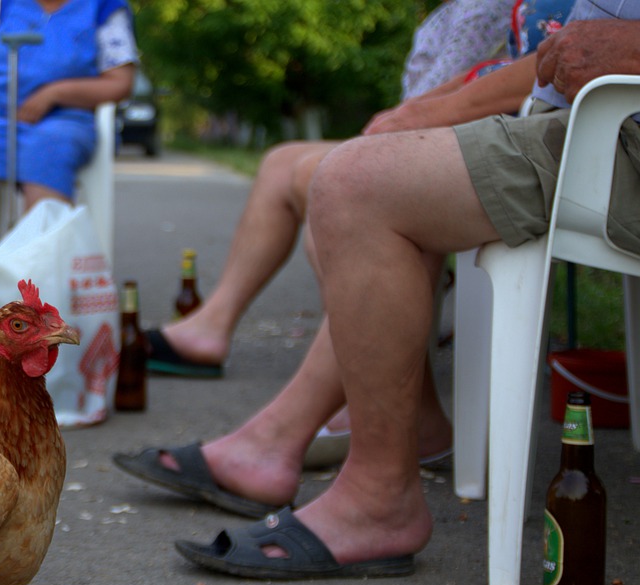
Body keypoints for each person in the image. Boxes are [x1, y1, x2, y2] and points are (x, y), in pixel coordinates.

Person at [116, 2, 640, 580]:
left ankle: (368, 489)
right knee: (345, 176)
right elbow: (545, 59)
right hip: (578, 122)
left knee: (353, 184)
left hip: (613, 126)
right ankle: (302, 434)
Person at [144, 0, 519, 381]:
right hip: (433, 137)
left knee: (335, 187)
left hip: (458, 144)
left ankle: (366, 395)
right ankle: (211, 324)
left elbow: (465, 91)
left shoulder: (486, 6)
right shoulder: (459, 7)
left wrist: (399, 123)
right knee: (280, 161)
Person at [0, 0, 138, 319]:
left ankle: (36, 286)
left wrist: (55, 92)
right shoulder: (11, 3)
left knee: (46, 152)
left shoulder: (105, 7)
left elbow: (120, 81)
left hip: (65, 115)